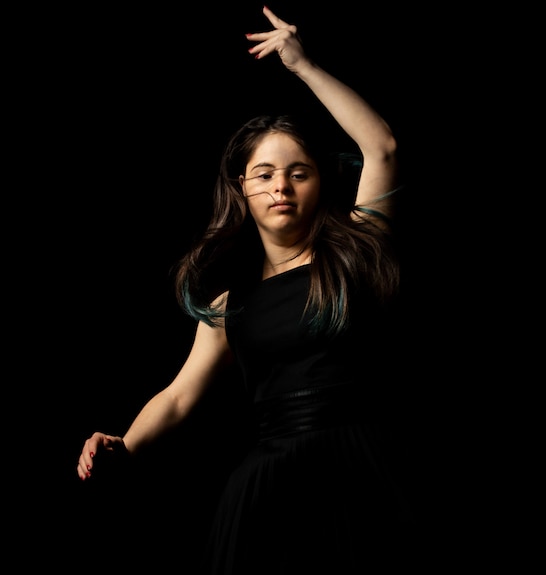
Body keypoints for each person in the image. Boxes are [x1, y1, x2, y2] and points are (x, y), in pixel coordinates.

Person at [76, 6, 423, 573]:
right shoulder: (228, 304)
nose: (281, 186)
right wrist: (123, 443)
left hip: (365, 470)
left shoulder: (357, 251)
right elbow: (180, 396)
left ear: (318, 182)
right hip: (270, 491)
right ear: (242, 188)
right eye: (264, 174)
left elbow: (380, 145)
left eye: (298, 172)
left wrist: (302, 65)